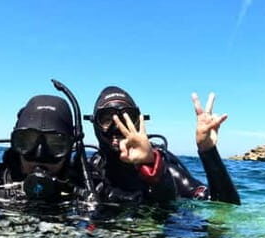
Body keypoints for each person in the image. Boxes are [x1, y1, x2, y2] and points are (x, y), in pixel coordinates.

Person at [86, 86, 240, 205]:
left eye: (127, 117)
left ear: (139, 122)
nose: (118, 126)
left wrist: (208, 150)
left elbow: (226, 208)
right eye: (107, 119)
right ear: (95, 123)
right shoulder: (86, 173)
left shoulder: (164, 169)